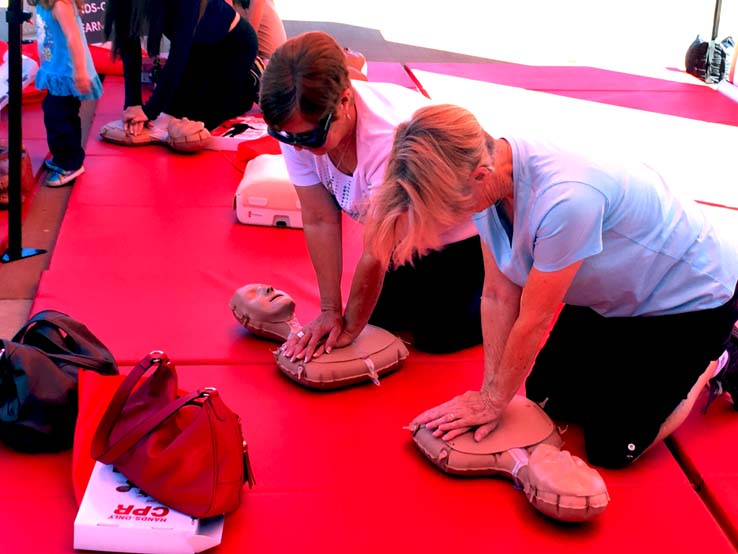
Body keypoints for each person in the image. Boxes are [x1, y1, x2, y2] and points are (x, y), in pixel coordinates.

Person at [365, 103, 738, 469]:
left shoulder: (565, 199)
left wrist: (494, 402)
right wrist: (489, 394)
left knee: (613, 445)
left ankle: (718, 360)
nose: (448, 222)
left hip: (690, 299)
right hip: (616, 294)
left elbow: (535, 320)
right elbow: (497, 294)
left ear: (480, 175)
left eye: (446, 209)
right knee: (545, 398)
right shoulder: (484, 173)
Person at [258, 31, 485, 361]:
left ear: (345, 101)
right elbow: (319, 218)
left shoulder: (387, 141)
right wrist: (330, 310)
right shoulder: (296, 123)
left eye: (307, 136)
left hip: (467, 232)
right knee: (382, 323)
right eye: (284, 135)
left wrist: (348, 327)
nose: (296, 146)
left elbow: (377, 251)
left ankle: (508, 283)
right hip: (408, 232)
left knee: (437, 336)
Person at [103, 0, 259, 134]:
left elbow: (179, 51)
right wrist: (133, 105)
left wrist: (149, 111)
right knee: (173, 114)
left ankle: (250, 82)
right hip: (196, 50)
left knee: (197, 122)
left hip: (233, 47)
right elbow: (129, 41)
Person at [30, 0, 103, 186]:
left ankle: (70, 163)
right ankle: (64, 157)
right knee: (57, 113)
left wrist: (80, 71)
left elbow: (73, 37)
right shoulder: (43, 5)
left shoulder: (61, 4)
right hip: (56, 67)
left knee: (60, 116)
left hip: (67, 70)